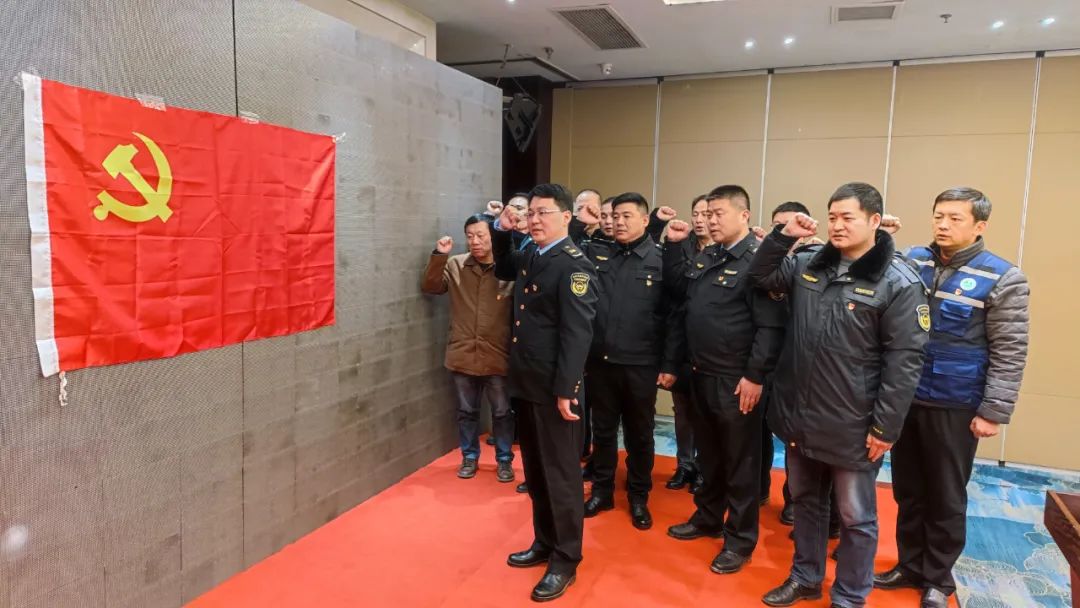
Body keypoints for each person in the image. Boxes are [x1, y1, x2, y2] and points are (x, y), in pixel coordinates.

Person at [750, 182, 929, 608]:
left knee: (855, 517)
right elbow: (761, 276)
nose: (837, 225)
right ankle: (806, 577)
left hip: (854, 423)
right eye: (832, 217)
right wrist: (783, 237)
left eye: (848, 217)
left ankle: (849, 595)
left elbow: (904, 362)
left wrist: (885, 427)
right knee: (805, 503)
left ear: (874, 220)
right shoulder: (808, 263)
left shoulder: (898, 281)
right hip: (801, 414)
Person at [874, 188, 1030, 608]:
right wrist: (881, 239)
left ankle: (938, 578)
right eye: (938, 216)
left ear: (980, 226)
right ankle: (909, 564)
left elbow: (1010, 350)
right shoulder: (912, 260)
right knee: (908, 489)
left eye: (955, 218)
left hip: (956, 401)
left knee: (945, 493)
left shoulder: (1003, 277)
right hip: (906, 396)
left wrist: (993, 411)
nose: (943, 225)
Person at [663, 185, 787, 575]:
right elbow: (682, 302)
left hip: (737, 381)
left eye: (718, 214)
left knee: (740, 463)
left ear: (744, 215)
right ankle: (707, 517)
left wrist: (754, 376)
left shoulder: (757, 261)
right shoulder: (709, 256)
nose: (711, 221)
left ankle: (740, 539)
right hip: (701, 373)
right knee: (710, 457)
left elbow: (769, 326)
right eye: (707, 214)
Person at [492, 183, 598, 603]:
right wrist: (502, 229)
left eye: (543, 213)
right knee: (536, 472)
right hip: (528, 382)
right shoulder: (533, 255)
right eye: (531, 213)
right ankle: (544, 540)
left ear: (566, 217)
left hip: (557, 391)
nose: (534, 220)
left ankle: (566, 557)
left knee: (561, 476)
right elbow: (503, 266)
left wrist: (567, 389)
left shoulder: (574, 266)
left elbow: (577, 333)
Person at [571, 192, 680, 531]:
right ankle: (602, 491)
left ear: (645, 220)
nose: (618, 222)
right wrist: (579, 222)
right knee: (603, 432)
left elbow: (673, 317)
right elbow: (569, 249)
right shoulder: (598, 252)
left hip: (641, 364)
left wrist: (669, 364)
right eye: (615, 216)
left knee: (639, 435)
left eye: (627, 216)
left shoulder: (660, 259)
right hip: (601, 362)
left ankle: (638, 496)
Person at [421, 214, 515, 482]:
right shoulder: (456, 264)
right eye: (470, 236)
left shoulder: (507, 268)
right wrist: (440, 255)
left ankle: (504, 460)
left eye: (481, 235)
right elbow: (431, 286)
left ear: (493, 236)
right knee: (466, 411)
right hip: (462, 353)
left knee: (502, 412)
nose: (475, 241)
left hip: (498, 354)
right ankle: (469, 456)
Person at [663, 194, 710, 494]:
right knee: (682, 411)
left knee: (706, 412)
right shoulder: (682, 245)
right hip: (681, 340)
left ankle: (705, 467)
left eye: (707, 213)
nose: (700, 219)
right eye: (696, 213)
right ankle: (684, 465)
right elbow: (671, 287)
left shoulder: (725, 250)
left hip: (710, 346)